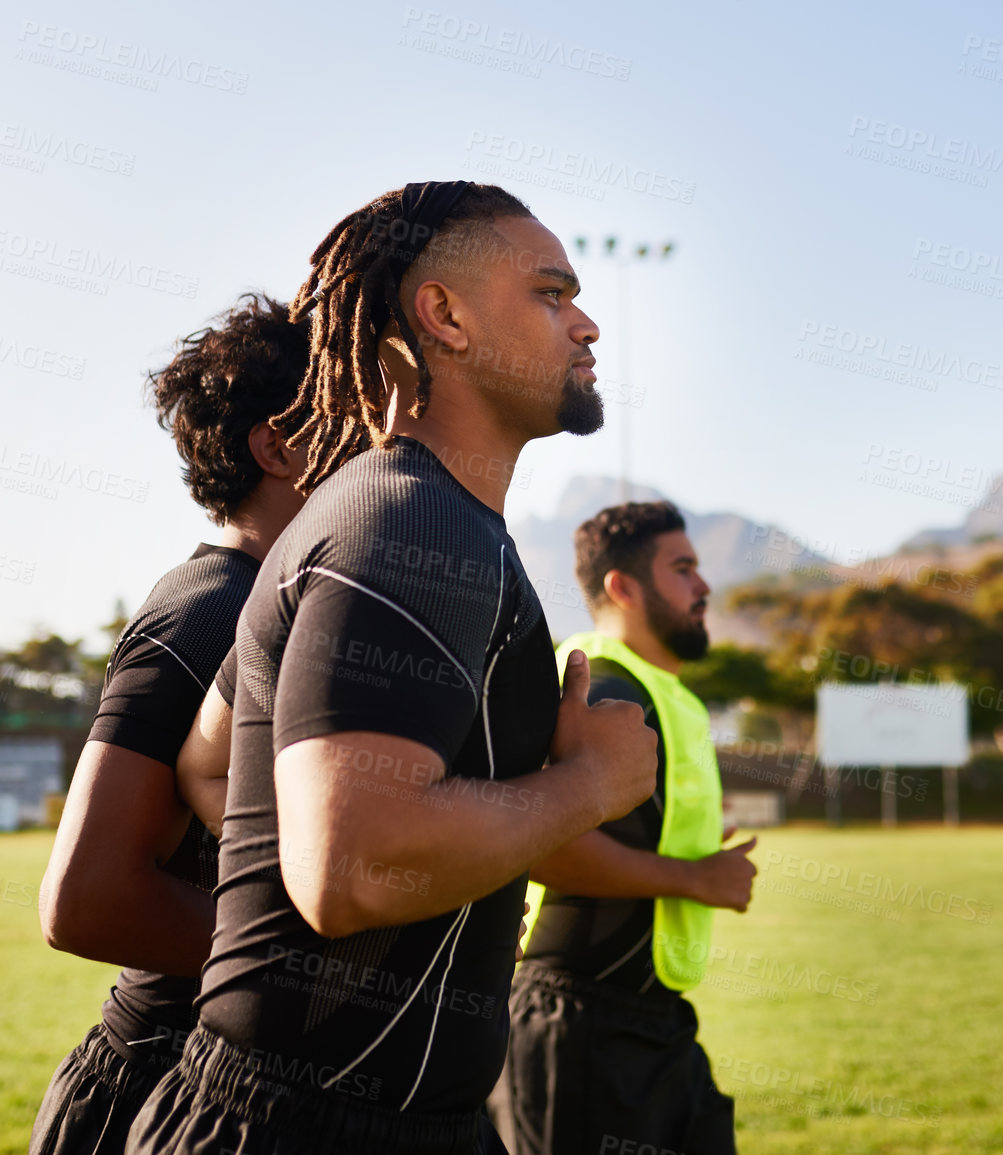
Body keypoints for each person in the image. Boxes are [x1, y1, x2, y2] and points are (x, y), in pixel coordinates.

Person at [125, 181, 658, 1155]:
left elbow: (211, 766)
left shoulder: (400, 517)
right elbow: (350, 867)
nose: (586, 325)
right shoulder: (411, 526)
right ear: (444, 316)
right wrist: (592, 784)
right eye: (550, 293)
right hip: (303, 1128)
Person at [33, 294, 312, 1155]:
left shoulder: (295, 602)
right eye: (350, 416)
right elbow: (83, 900)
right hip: (156, 1091)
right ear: (275, 445)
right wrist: (326, 971)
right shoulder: (206, 611)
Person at [497, 501, 757, 1155]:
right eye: (683, 568)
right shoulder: (604, 686)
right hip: (579, 1022)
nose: (703, 587)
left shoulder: (660, 690)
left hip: (651, 1024)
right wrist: (699, 877)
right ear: (622, 586)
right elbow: (541, 844)